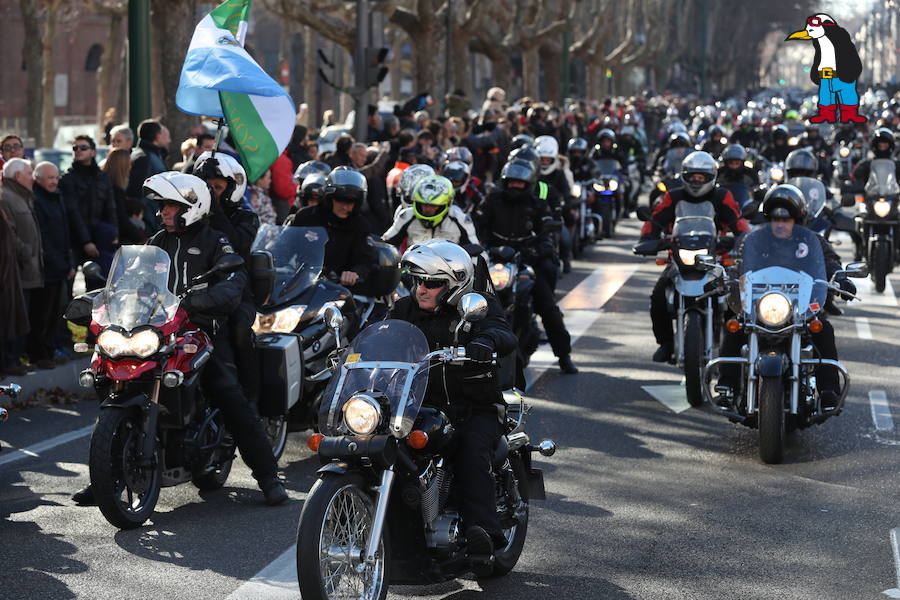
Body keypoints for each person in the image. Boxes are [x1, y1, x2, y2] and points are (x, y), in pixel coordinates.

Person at [73, 171, 287, 507]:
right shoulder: (157, 242)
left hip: (202, 331)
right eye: (162, 207)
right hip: (157, 330)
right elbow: (129, 279)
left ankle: (268, 476)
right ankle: (106, 476)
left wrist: (198, 301)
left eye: (170, 206)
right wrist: (105, 298)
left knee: (229, 396)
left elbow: (233, 284)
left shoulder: (217, 243)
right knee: (111, 379)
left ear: (193, 206)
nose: (163, 213)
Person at [390, 239, 516, 558]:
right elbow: (378, 331)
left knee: (471, 452)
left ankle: (485, 530)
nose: (421, 289)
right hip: (417, 405)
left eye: (432, 284)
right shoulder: (404, 308)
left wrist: (485, 340)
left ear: (453, 286)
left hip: (474, 407)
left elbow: (504, 333)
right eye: (418, 281)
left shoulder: (475, 305)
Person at [716, 185, 851, 410]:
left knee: (823, 329)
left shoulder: (812, 241)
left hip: (800, 308)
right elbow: (739, 265)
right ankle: (726, 387)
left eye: (786, 219)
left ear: (797, 220)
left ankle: (828, 391)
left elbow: (829, 262)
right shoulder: (754, 241)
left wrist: (842, 277)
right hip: (761, 306)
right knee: (734, 326)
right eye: (775, 219)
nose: (780, 224)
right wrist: (724, 278)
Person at [638, 151, 750, 363]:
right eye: (692, 176)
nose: (697, 181)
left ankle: (733, 348)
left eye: (702, 177)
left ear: (711, 177)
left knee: (736, 299)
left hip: (715, 258)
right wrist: (647, 238)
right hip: (680, 257)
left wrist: (743, 238)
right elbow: (656, 219)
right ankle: (666, 343)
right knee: (659, 296)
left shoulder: (721, 196)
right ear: (685, 176)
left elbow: (737, 219)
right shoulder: (674, 196)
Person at [476, 158, 578, 374]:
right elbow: (476, 228)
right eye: (511, 182)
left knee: (548, 307)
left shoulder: (537, 205)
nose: (515, 186)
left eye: (520, 183)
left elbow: (548, 234)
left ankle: (564, 356)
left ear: (529, 184)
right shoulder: (491, 201)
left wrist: (537, 250)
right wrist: (477, 248)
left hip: (525, 261)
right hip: (494, 263)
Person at [288, 167, 377, 292]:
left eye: (350, 201)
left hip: (339, 291)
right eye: (340, 199)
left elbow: (366, 259)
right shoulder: (306, 217)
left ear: (358, 203)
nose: (344, 206)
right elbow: (285, 246)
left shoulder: (361, 225)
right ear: (329, 198)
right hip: (300, 285)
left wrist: (355, 273)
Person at [29, 162, 73, 369]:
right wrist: (60, 263)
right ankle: (39, 354)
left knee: (54, 313)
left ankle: (48, 351)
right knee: (41, 314)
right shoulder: (37, 200)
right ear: (38, 178)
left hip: (60, 266)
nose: (54, 181)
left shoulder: (58, 197)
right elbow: (44, 237)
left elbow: (65, 232)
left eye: (56, 177)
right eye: (50, 178)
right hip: (47, 268)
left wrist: (69, 262)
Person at [0, 159, 41, 375]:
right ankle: (9, 360)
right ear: (17, 176)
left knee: (20, 317)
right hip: (16, 270)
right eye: (28, 172)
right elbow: (10, 235)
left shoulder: (21, 196)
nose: (32, 176)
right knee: (11, 317)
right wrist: (26, 252)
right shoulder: (6, 197)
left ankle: (14, 358)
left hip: (26, 269)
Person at [59, 135, 118, 278]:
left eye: (83, 148)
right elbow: (73, 212)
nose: (78, 150)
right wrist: (86, 241)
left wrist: (114, 234)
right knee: (68, 285)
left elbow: (110, 207)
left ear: (93, 152)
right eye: (75, 148)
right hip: (74, 240)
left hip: (100, 238)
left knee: (97, 285)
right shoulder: (67, 179)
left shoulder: (103, 177)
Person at [383, 174, 479, 247]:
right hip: (414, 269)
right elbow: (387, 242)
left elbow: (477, 254)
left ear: (446, 204)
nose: (427, 209)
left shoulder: (461, 220)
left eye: (433, 206)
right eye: (424, 204)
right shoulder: (407, 215)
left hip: (450, 271)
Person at [127, 119, 170, 232]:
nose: (168, 140)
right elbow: (137, 191)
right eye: (162, 134)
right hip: (147, 220)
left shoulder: (150, 155)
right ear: (157, 136)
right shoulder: (144, 157)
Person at [102, 148, 146, 245]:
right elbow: (121, 218)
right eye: (129, 164)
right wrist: (140, 237)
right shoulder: (114, 189)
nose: (131, 167)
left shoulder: (108, 184)